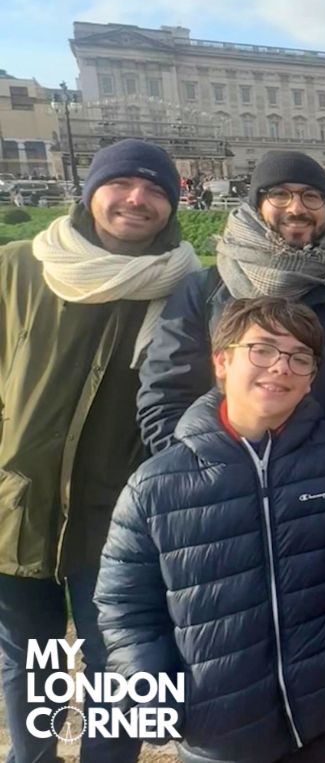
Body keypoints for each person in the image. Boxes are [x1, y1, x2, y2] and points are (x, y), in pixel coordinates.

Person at [96, 298, 325, 763]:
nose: (280, 367)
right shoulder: (156, 484)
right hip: (219, 729)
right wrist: (157, 698)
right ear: (221, 362)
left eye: (299, 358)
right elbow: (125, 606)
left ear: (311, 378)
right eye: (262, 350)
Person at [0, 139, 201, 762]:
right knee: (30, 663)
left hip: (121, 513)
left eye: (156, 190)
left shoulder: (187, 286)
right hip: (19, 502)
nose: (138, 199)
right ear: (90, 192)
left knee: (119, 661)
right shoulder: (18, 267)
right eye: (122, 184)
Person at [137, 149, 325, 454]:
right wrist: (203, 468)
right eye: (280, 195)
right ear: (257, 204)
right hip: (227, 470)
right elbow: (167, 397)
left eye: (311, 197)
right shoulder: (204, 289)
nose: (297, 208)